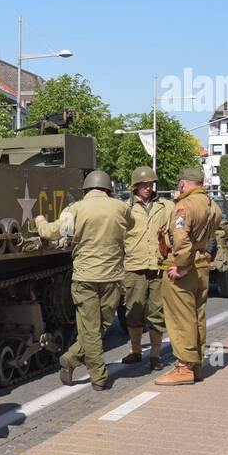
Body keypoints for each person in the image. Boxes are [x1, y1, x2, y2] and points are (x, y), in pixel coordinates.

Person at [35, 169, 128, 391]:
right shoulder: (121, 207)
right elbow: (131, 225)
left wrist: (40, 221)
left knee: (91, 329)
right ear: (108, 188)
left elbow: (51, 233)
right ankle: (79, 362)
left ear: (86, 189)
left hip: (85, 276)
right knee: (102, 324)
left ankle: (95, 375)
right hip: (113, 276)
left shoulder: (75, 209)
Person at [157, 167, 222, 386]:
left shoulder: (184, 206)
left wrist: (182, 266)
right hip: (202, 265)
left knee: (180, 318)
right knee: (197, 317)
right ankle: (196, 365)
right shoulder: (213, 206)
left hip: (186, 269)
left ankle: (184, 366)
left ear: (184, 184)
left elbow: (180, 238)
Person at [122, 166, 169, 371]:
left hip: (158, 265)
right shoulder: (125, 208)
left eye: (150, 185)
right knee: (133, 312)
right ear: (135, 187)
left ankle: (156, 355)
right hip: (134, 266)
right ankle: (135, 350)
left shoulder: (165, 206)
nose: (148, 188)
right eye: (144, 185)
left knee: (157, 313)